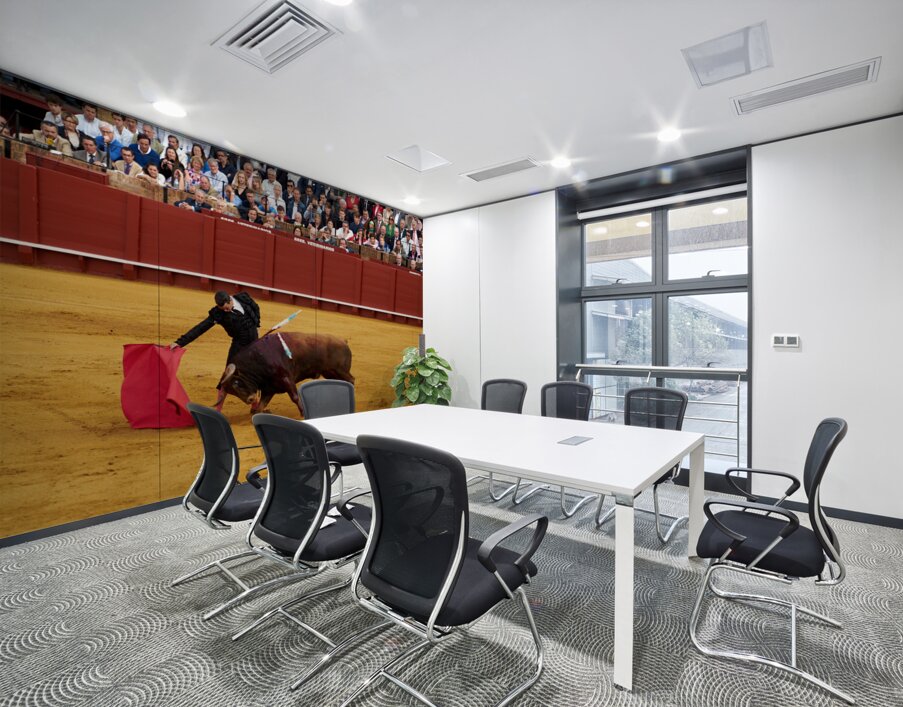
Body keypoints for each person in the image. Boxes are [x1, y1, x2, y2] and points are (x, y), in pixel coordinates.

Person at [171, 291, 261, 408]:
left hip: (254, 343)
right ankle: (218, 409)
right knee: (228, 377)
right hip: (239, 345)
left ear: (230, 299)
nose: (226, 311)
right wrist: (180, 342)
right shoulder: (218, 313)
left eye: (227, 307)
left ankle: (256, 405)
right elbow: (200, 328)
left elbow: (255, 308)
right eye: (223, 309)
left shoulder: (243, 299)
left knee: (257, 373)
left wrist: (256, 324)